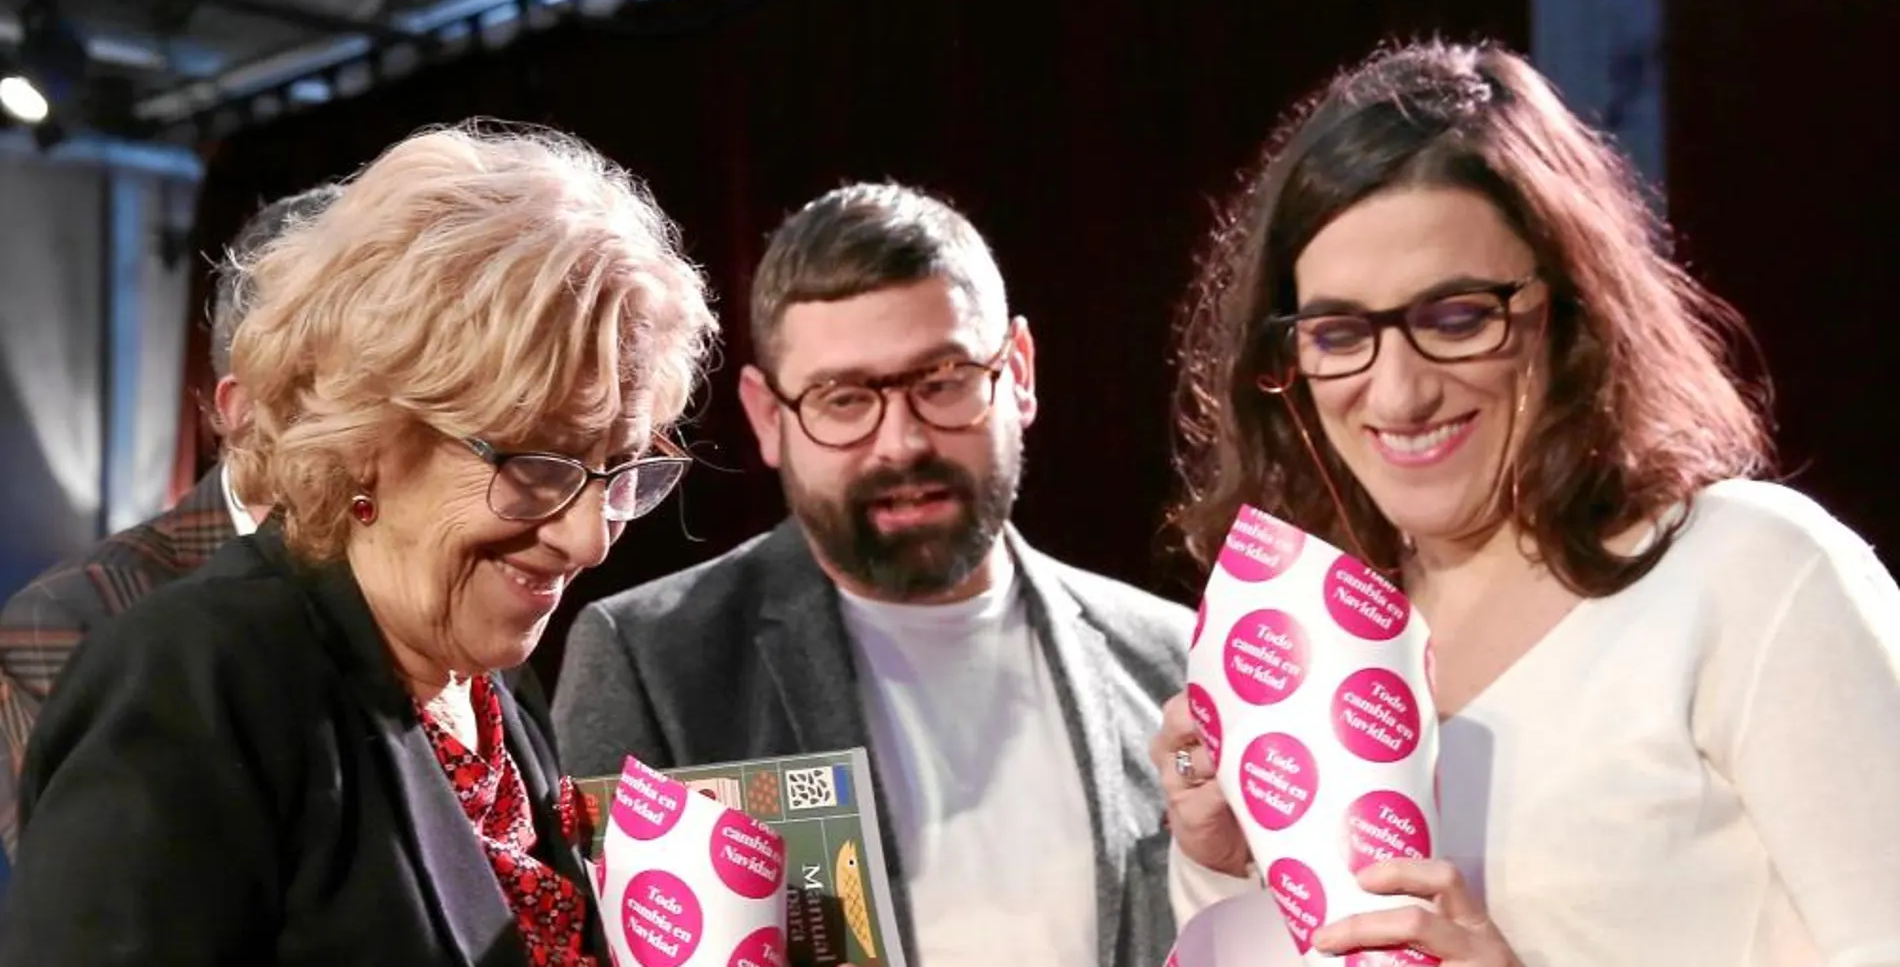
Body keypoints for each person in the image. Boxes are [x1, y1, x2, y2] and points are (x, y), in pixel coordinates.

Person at [1155, 38, 1900, 966]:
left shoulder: (1751, 576)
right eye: (1339, 333)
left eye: (1458, 317)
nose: (1398, 394)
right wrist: (1233, 866)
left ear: (1573, 310)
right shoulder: (1305, 636)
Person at [0, 121, 717, 966]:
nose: (590, 538)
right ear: (373, 432)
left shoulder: (494, 687)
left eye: (619, 466)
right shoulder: (197, 677)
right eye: (532, 464)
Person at [553, 182, 1190, 967]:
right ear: (767, 417)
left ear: (1018, 372)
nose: (900, 442)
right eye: (844, 397)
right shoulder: (655, 663)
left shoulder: (1171, 658)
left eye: (942, 380)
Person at [0, 181, 339, 860]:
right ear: (245, 409)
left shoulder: (445, 598)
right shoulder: (78, 612)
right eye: (358, 384)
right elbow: (93, 905)